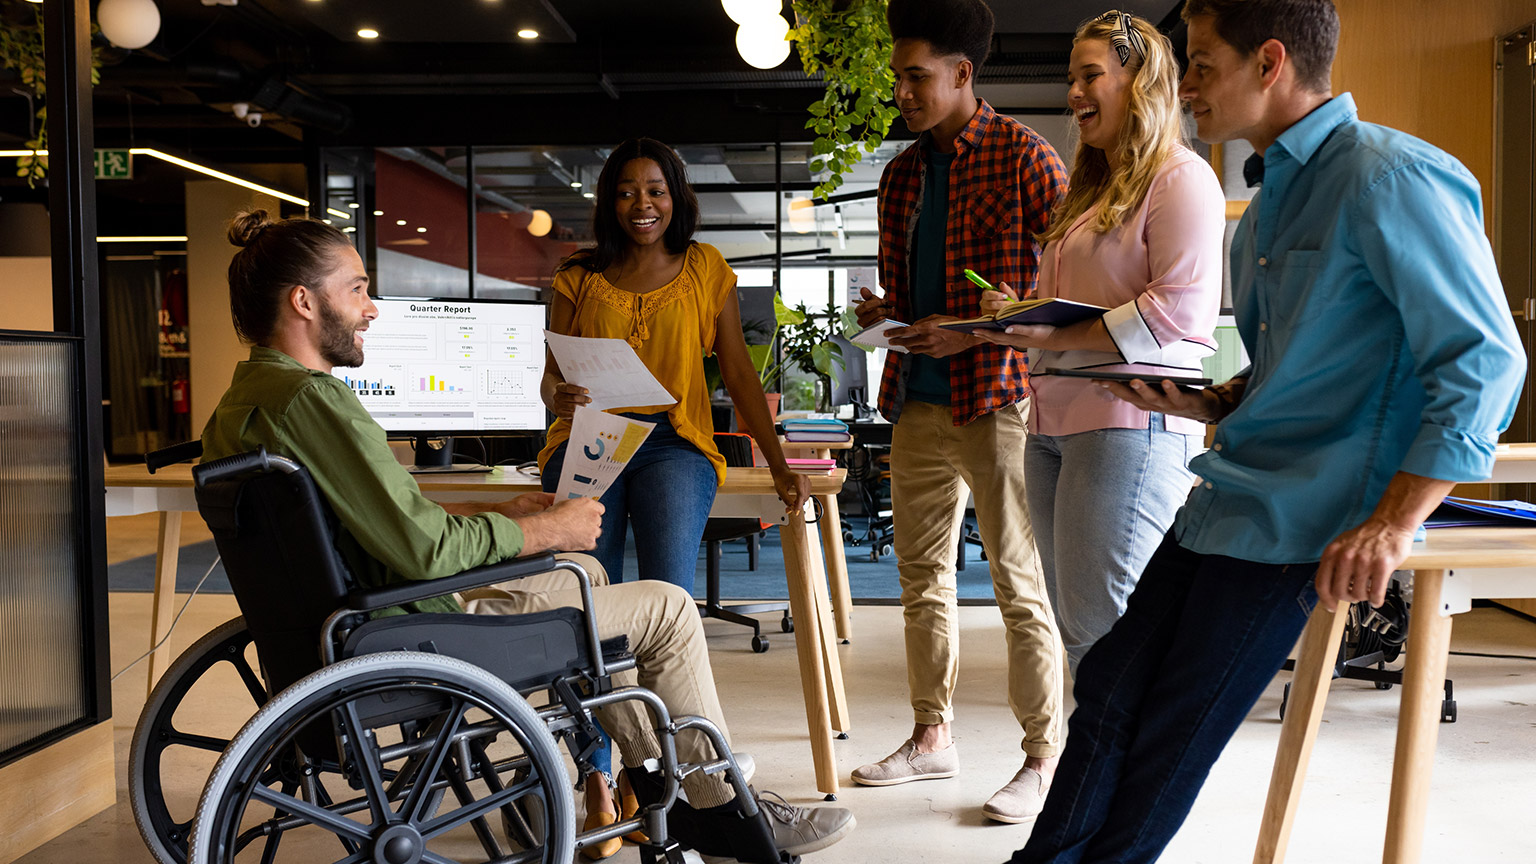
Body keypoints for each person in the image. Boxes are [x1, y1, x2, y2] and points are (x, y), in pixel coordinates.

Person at [1011, 1, 1525, 861]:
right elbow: (1310, 360)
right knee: (1106, 684)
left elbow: (1485, 361)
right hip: (1232, 490)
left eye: (1202, 64)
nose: (1187, 88)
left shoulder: (1388, 177)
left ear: (1270, 62)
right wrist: (1219, 399)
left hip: (1301, 519)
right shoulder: (1274, 188)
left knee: (1171, 728)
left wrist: (1393, 522)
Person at [201, 209, 854, 864]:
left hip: (354, 622)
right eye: (358, 288)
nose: (371, 309)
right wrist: (545, 528)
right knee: (669, 607)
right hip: (411, 628)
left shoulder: (247, 402)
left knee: (592, 577)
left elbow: (364, 519)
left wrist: (502, 510)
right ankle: (719, 810)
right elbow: (423, 550)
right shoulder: (315, 400)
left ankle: (653, 781)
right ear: (304, 301)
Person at [536, 138, 811, 853]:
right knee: (584, 601)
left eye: (655, 190)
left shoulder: (705, 268)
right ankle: (598, 774)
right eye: (627, 192)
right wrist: (560, 391)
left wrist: (777, 461)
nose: (642, 205)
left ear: (677, 196)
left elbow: (740, 379)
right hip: (590, 436)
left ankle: (666, 777)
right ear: (608, 201)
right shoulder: (578, 276)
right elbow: (549, 381)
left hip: (673, 444)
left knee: (663, 604)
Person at [849, 0, 1070, 826]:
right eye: (899, 76)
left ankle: (1043, 757)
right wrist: (890, 312)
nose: (903, 91)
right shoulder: (902, 175)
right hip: (917, 402)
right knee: (921, 582)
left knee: (1018, 583)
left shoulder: (1027, 159)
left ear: (962, 74)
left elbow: (1063, 299)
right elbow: (914, 298)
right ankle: (930, 734)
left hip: (1002, 401)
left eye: (917, 76)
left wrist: (976, 326)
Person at [972, 10, 1224, 675]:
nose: (1074, 95)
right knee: (1080, 628)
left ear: (1138, 80)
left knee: (1108, 626)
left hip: (1127, 422)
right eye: (1071, 79)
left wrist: (1054, 329)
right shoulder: (1093, 191)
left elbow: (1173, 310)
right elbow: (1083, 304)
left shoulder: (1180, 178)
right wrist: (1020, 312)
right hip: (1053, 421)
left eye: (1091, 77)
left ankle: (1128, 776)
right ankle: (1107, 774)